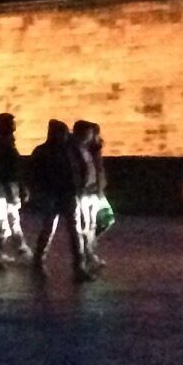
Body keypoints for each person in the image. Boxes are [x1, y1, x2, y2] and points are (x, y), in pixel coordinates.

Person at [26, 120, 75, 270]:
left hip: (57, 192)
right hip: (55, 192)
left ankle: (39, 258)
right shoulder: (61, 151)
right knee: (63, 227)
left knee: (56, 226)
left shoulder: (44, 151)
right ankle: (40, 258)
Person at [0, 113, 27, 264]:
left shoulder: (5, 142)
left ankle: (18, 247)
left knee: (12, 219)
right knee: (4, 221)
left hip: (7, 186)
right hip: (2, 188)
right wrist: (11, 188)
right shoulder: (1, 144)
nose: (14, 125)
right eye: (11, 123)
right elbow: (3, 169)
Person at [66, 119, 106, 280]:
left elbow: (93, 168)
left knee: (90, 225)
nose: (92, 135)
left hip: (89, 191)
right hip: (80, 193)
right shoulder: (73, 150)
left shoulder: (86, 148)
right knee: (81, 227)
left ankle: (88, 256)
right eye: (89, 132)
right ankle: (82, 262)